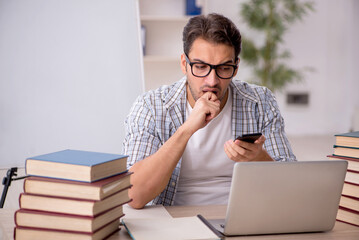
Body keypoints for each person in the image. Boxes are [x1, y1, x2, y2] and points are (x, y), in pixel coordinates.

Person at [123, 13, 296, 209]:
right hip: (173, 219)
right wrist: (186, 129)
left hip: (241, 217)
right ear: (184, 64)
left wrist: (259, 158)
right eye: (201, 66)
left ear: (236, 67)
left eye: (223, 68)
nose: (212, 81)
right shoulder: (151, 106)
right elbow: (134, 195)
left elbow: (289, 185)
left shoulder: (260, 101)